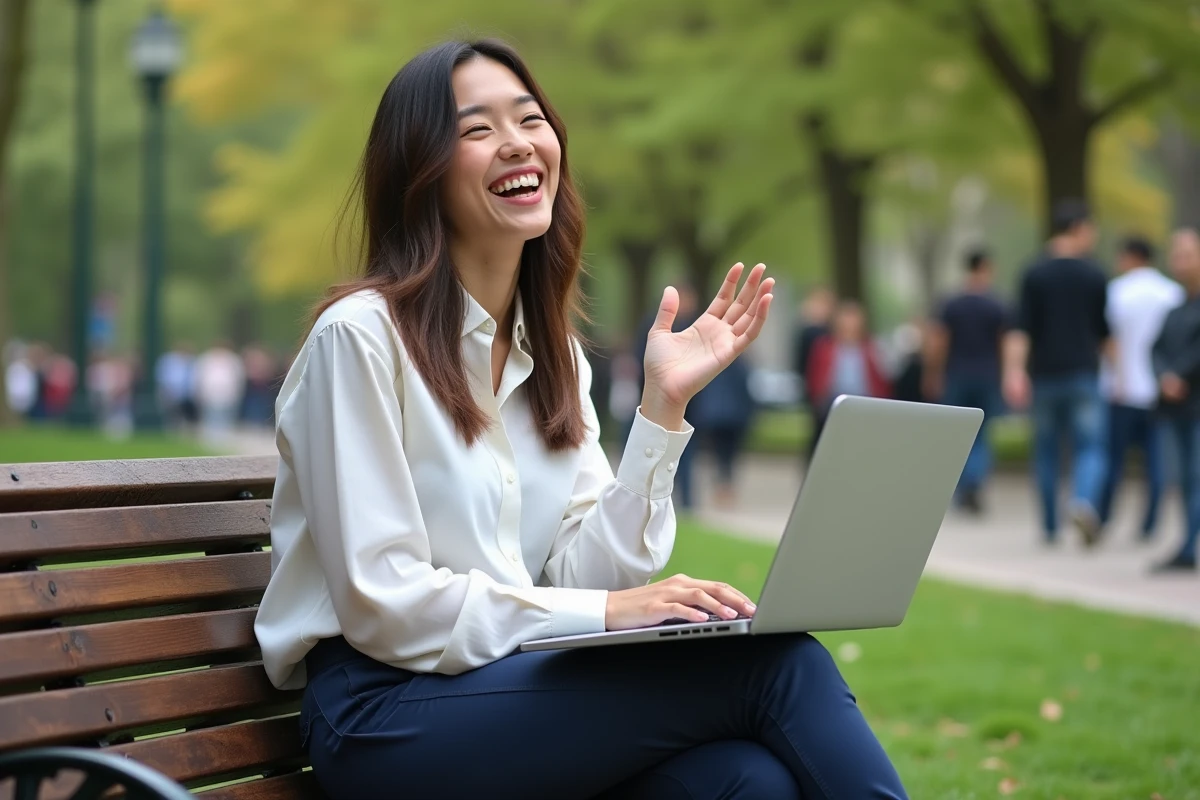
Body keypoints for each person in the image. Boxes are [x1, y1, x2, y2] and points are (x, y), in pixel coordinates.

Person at [253, 40, 907, 800]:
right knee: (777, 665)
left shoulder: (553, 352)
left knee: (748, 781)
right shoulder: (361, 339)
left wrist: (662, 409)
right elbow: (385, 604)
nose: (518, 142)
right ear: (419, 170)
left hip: (505, 695)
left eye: (531, 119)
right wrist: (604, 612)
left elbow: (586, 573)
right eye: (476, 129)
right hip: (381, 717)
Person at [1003, 199, 1110, 545]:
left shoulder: (1034, 272)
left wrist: (1014, 372)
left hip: (1045, 375)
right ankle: (1082, 501)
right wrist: (1119, 374)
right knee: (1091, 446)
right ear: (1078, 228)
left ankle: (1050, 526)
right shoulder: (1094, 273)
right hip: (1082, 374)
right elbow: (1105, 334)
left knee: (1046, 450)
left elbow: (1020, 330)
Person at [1098, 236, 1184, 539]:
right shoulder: (1172, 293)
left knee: (1113, 460)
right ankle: (1149, 525)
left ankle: (1103, 519)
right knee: (1156, 463)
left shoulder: (1116, 292)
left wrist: (1118, 377)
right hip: (1160, 389)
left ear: (1129, 256)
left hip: (1121, 389)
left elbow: (1109, 340)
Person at [924, 248, 1009, 513]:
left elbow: (939, 342)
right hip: (987, 375)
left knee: (958, 435)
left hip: (957, 374)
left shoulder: (952, 303)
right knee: (982, 435)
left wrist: (933, 373)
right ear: (986, 268)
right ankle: (975, 482)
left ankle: (963, 488)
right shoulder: (997, 304)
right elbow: (1004, 344)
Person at [1150, 228, 1200, 572]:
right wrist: (1165, 376)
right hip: (1176, 407)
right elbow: (1156, 348)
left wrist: (1178, 375)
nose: (1178, 262)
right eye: (1176, 254)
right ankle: (1186, 545)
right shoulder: (1176, 308)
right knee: (1183, 479)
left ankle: (1186, 548)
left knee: (1195, 476)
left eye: (1185, 254)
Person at [804, 300, 891, 456]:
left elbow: (881, 379)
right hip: (832, 406)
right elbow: (815, 378)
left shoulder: (871, 349)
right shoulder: (825, 347)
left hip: (865, 406)